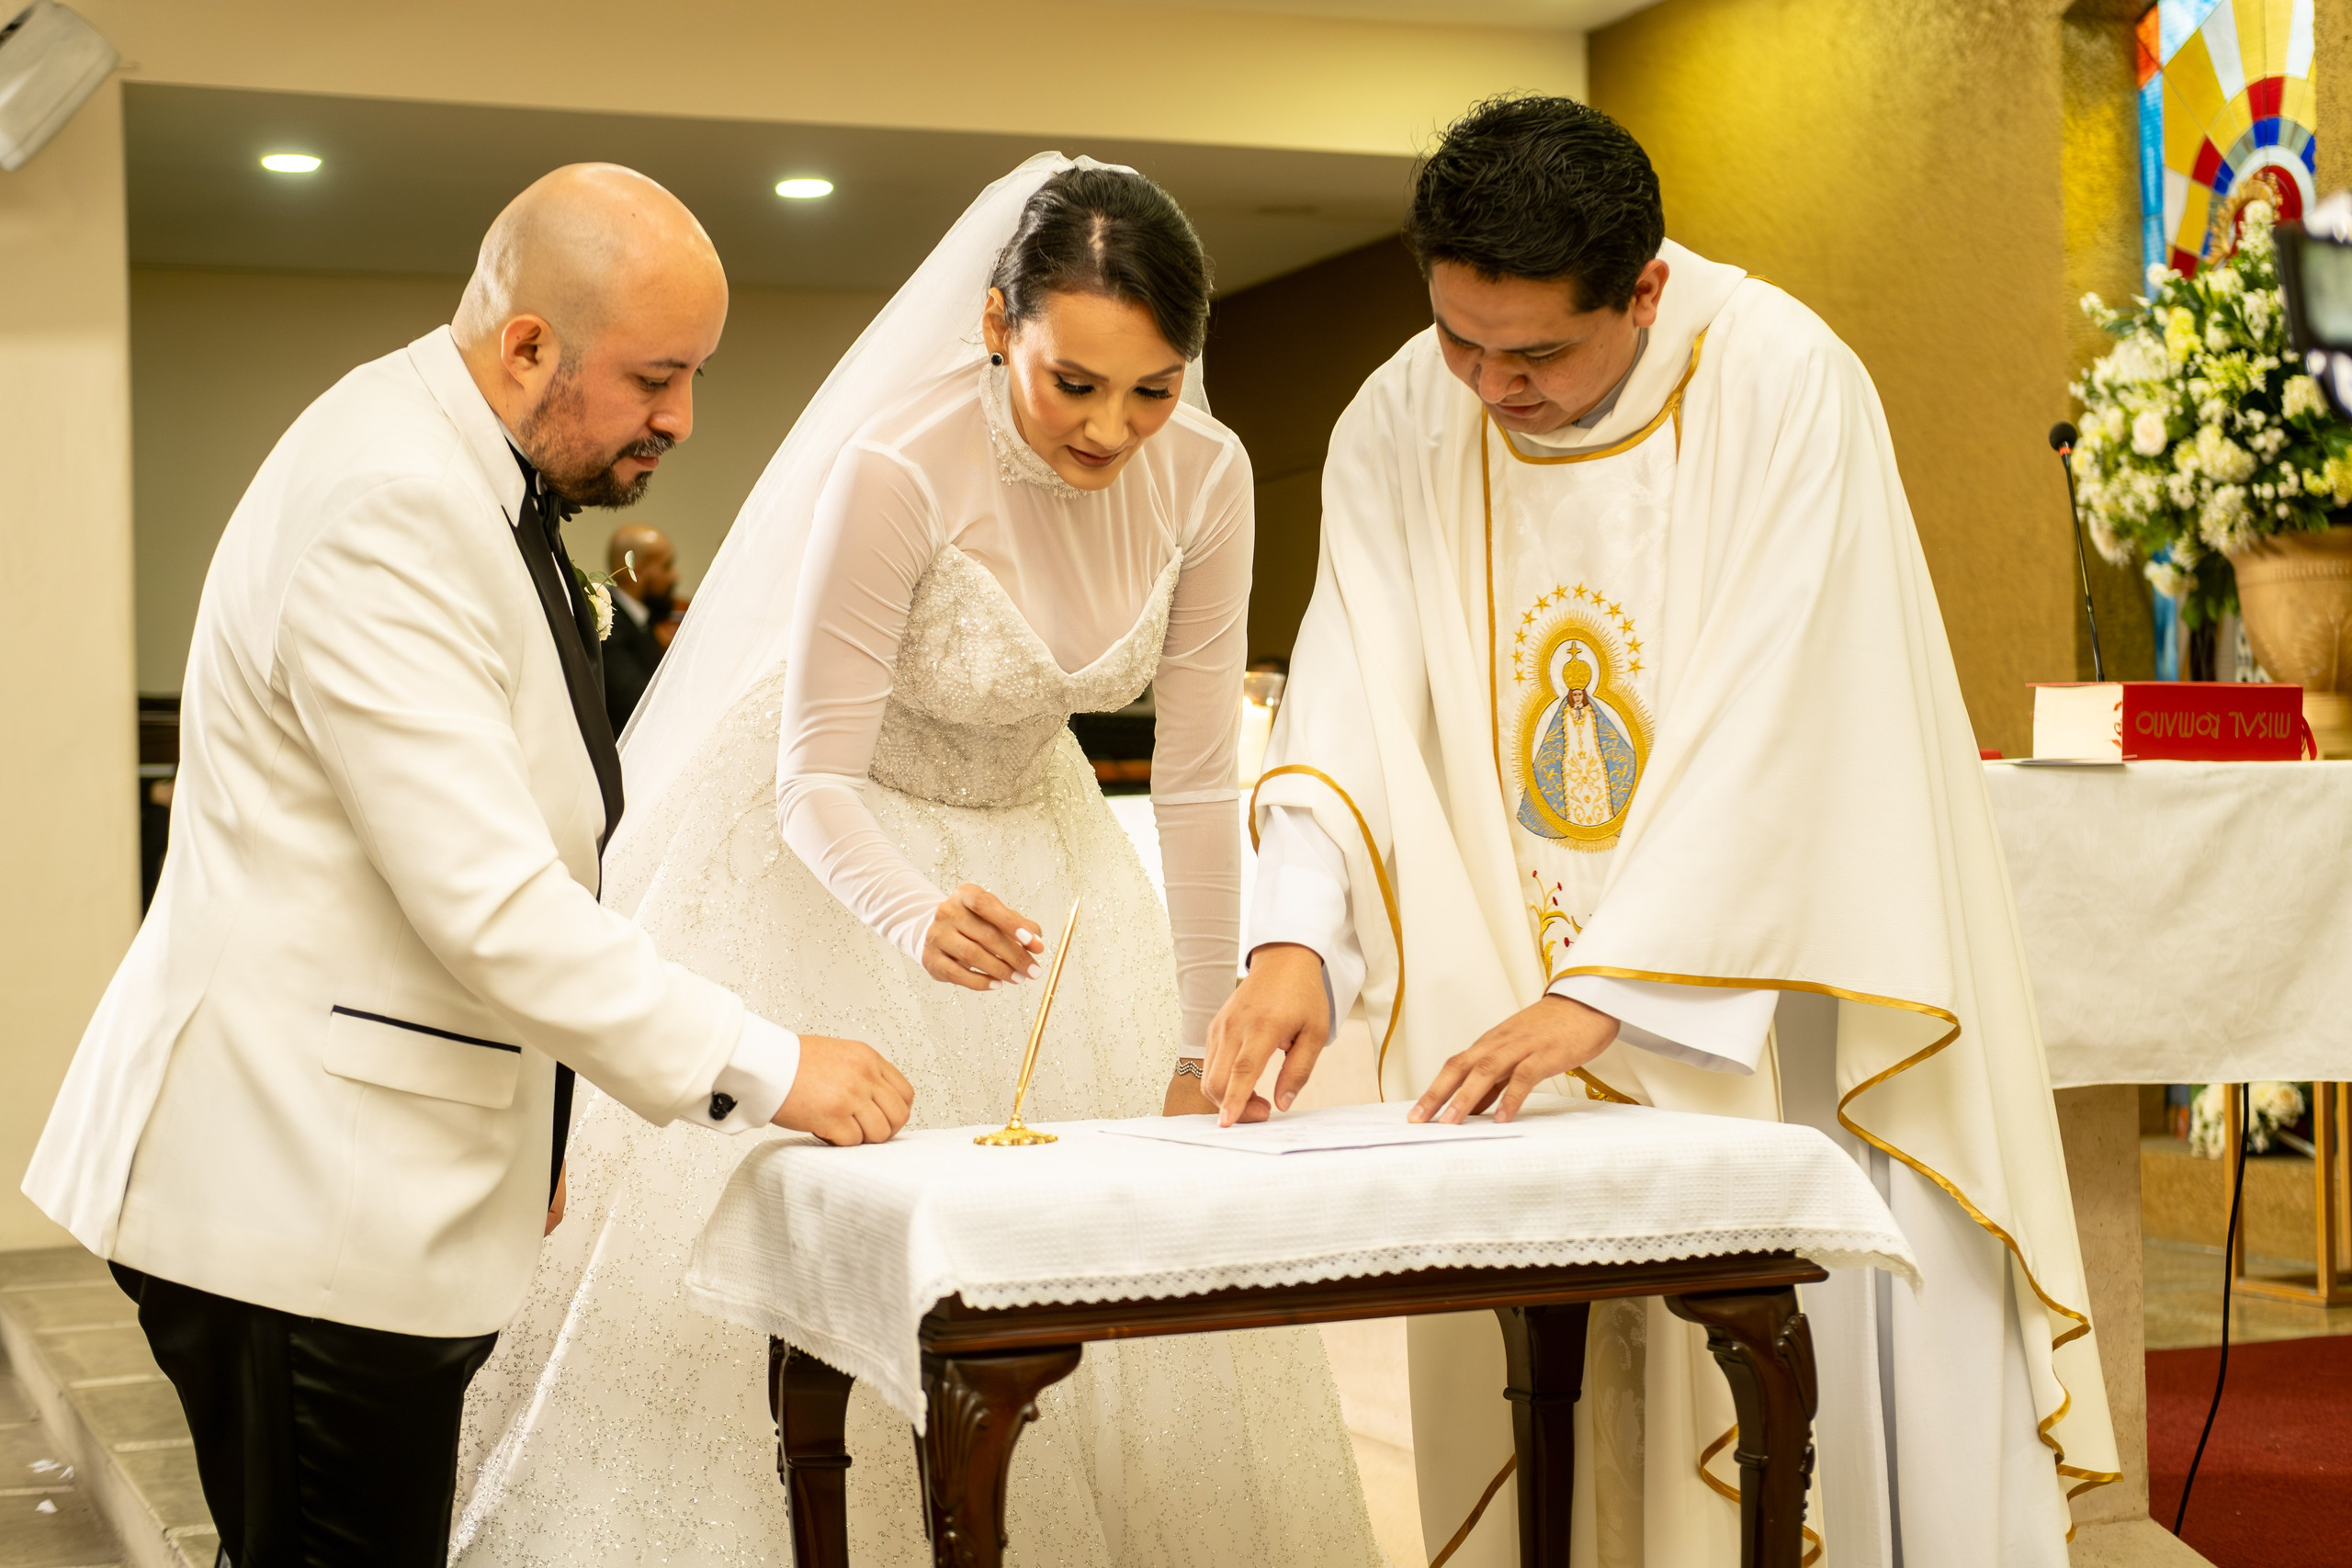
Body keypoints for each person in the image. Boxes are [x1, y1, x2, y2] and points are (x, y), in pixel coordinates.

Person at [1204, 98, 2118, 1568]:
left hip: (1780, 1018)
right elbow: (1349, 681)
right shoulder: (1399, 410)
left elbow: (1794, 711)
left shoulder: (1783, 380)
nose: (1493, 386)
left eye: (1539, 355)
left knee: (1803, 1391)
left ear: (1644, 288)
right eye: (1461, 340)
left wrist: (1612, 988)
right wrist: (1298, 932)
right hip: (1509, 984)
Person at [450, 156, 1385, 1567]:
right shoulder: (899, 467)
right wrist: (906, 907)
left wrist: (1203, 1035)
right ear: (1002, 324)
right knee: (838, 1303)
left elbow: (1198, 776)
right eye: (1075, 382)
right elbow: (807, 770)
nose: (1114, 427)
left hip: (1049, 866)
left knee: (1089, 1302)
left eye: (1153, 387)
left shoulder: (1210, 472)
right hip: (830, 858)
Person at [21, 164, 912, 1568]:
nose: (682, 418)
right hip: (290, 1192)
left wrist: (531, 1131)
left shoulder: (471, 471)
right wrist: (771, 1060)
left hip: (363, 1171)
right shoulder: (388, 501)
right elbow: (487, 898)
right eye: (657, 378)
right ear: (527, 347)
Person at [601, 520, 675, 731]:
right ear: (637, 572)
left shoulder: (640, 620)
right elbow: (635, 704)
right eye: (666, 566)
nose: (674, 576)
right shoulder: (609, 627)